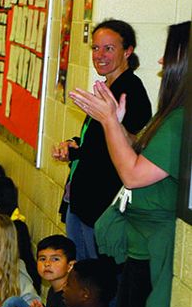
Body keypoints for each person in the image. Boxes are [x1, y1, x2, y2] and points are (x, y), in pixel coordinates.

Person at [71, 21, 189, 307]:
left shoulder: (180, 120)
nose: (162, 62)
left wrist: (110, 122)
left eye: (169, 55)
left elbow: (133, 175)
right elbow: (141, 149)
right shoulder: (173, 113)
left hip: (154, 247)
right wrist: (118, 123)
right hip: (139, 243)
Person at [56, 19, 153, 260]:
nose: (100, 55)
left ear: (127, 51)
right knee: (79, 277)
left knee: (97, 285)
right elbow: (98, 142)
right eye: (96, 48)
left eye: (109, 48)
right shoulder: (106, 87)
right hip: (81, 199)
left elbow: (136, 146)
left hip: (101, 205)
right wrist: (73, 146)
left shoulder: (131, 91)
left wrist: (113, 122)